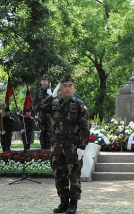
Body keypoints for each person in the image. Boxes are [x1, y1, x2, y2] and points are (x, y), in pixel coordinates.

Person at [37, 73, 90, 214]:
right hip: (57, 147)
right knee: (59, 175)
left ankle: (73, 204)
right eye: (64, 86)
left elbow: (85, 128)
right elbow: (39, 108)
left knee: (73, 176)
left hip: (72, 147)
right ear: (60, 88)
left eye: (70, 86)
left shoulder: (79, 105)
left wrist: (82, 147)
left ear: (74, 89)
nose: (67, 89)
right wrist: (51, 96)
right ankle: (63, 202)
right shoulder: (54, 104)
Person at [34, 75, 52, 149]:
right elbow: (35, 103)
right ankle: (43, 146)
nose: (45, 81)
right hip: (42, 114)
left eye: (46, 80)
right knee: (43, 131)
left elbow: (54, 101)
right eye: (43, 80)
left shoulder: (51, 91)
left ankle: (49, 146)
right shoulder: (38, 92)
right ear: (40, 82)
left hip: (50, 114)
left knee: (50, 130)